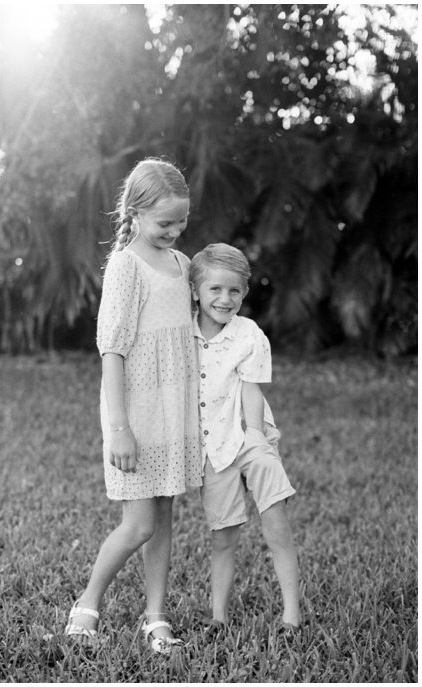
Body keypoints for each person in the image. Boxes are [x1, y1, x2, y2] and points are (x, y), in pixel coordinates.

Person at [64, 159, 200, 654]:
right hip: (137, 411)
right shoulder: (126, 264)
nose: (174, 230)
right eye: (165, 222)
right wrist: (119, 427)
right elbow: (113, 350)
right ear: (135, 213)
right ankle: (87, 603)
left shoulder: (183, 265)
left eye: (181, 221)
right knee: (139, 523)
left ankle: (156, 617)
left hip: (175, 407)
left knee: (164, 516)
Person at [189, 242, 301, 633]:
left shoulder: (249, 334)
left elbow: (252, 389)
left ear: (245, 293)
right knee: (223, 537)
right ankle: (218, 616)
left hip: (251, 441)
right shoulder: (181, 335)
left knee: (277, 530)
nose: (225, 298)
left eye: (234, 290)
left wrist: (256, 438)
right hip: (213, 452)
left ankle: (292, 615)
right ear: (196, 291)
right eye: (215, 289)